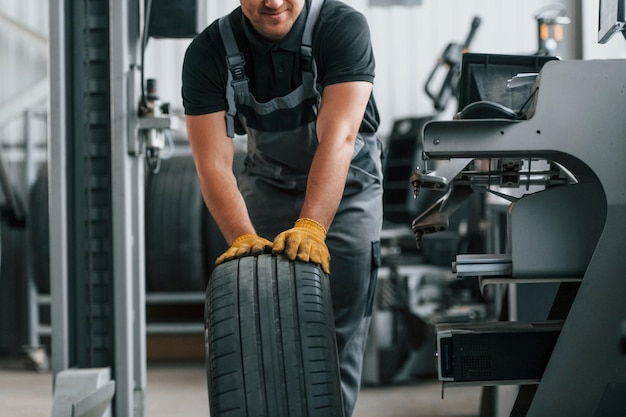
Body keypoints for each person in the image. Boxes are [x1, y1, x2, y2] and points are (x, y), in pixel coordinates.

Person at [182, 0, 383, 415]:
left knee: (337, 328)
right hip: (268, 183)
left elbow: (340, 139)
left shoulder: (341, 28)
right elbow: (212, 163)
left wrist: (311, 226)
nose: (272, 2)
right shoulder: (209, 51)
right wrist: (242, 236)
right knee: (257, 321)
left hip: (346, 188)